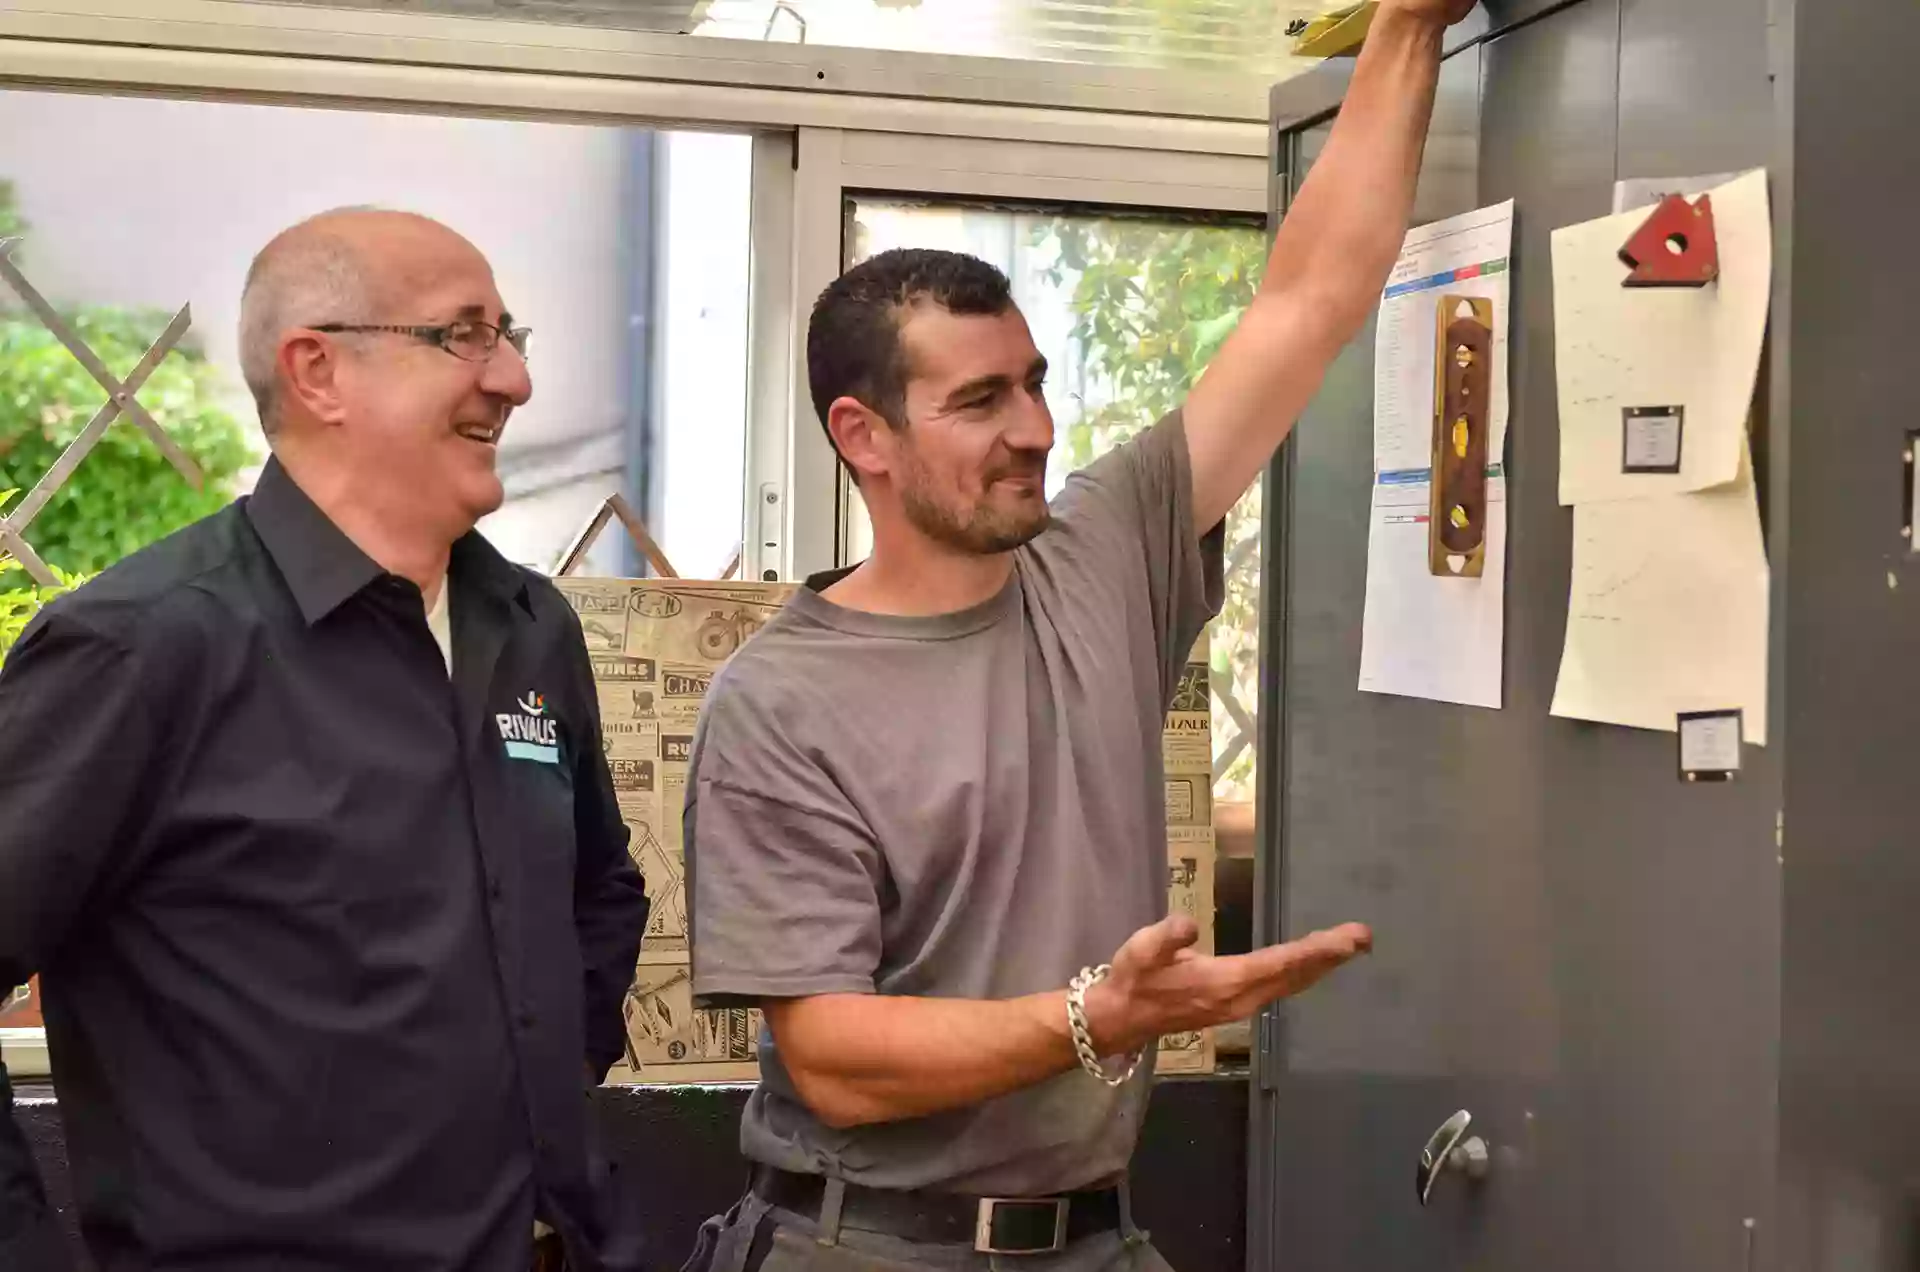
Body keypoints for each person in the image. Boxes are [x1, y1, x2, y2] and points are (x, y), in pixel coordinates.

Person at [677, 1, 1478, 1268]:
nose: (1037, 429)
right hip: (870, 1246)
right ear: (862, 438)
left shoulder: (1099, 555)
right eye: (980, 400)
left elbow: (1311, 298)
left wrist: (1411, 24)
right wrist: (1093, 1016)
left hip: (1097, 1239)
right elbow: (832, 1059)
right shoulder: (781, 703)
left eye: (1037, 383)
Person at [0, 208, 649, 1271]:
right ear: (317, 374)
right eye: (463, 336)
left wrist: (545, 1074)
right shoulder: (142, 649)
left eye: (511, 339)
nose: (514, 382)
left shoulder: (530, 628)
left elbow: (597, 891)